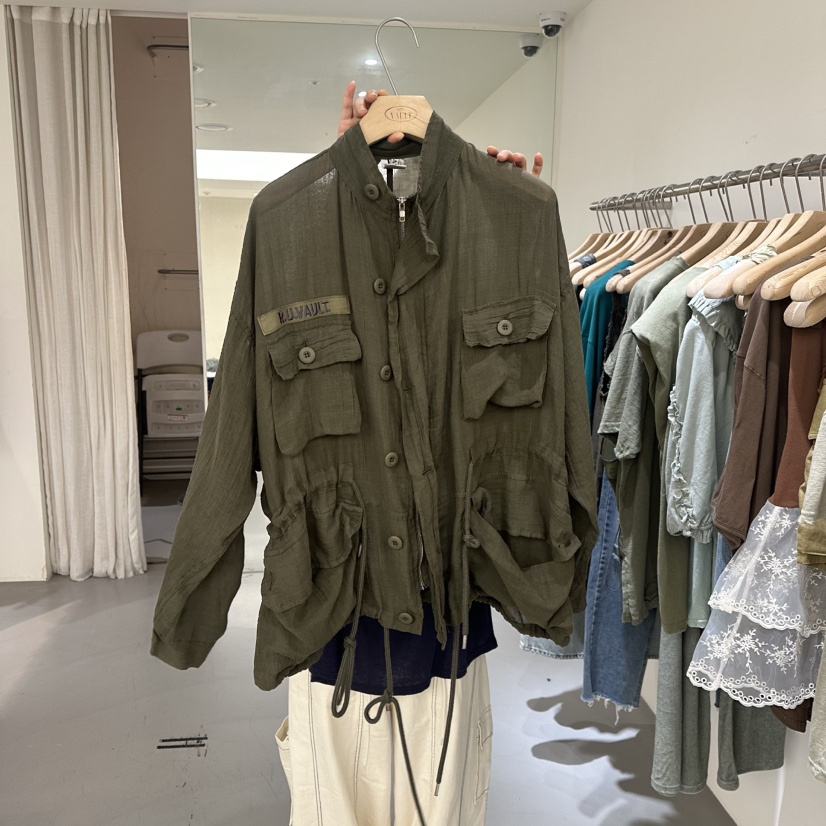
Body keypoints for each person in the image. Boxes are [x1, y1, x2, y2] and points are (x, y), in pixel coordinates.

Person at [274, 81, 545, 826]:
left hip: (447, 607)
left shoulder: (493, 231)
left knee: (443, 799)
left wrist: (506, 224)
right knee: (336, 807)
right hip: (334, 610)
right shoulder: (292, 233)